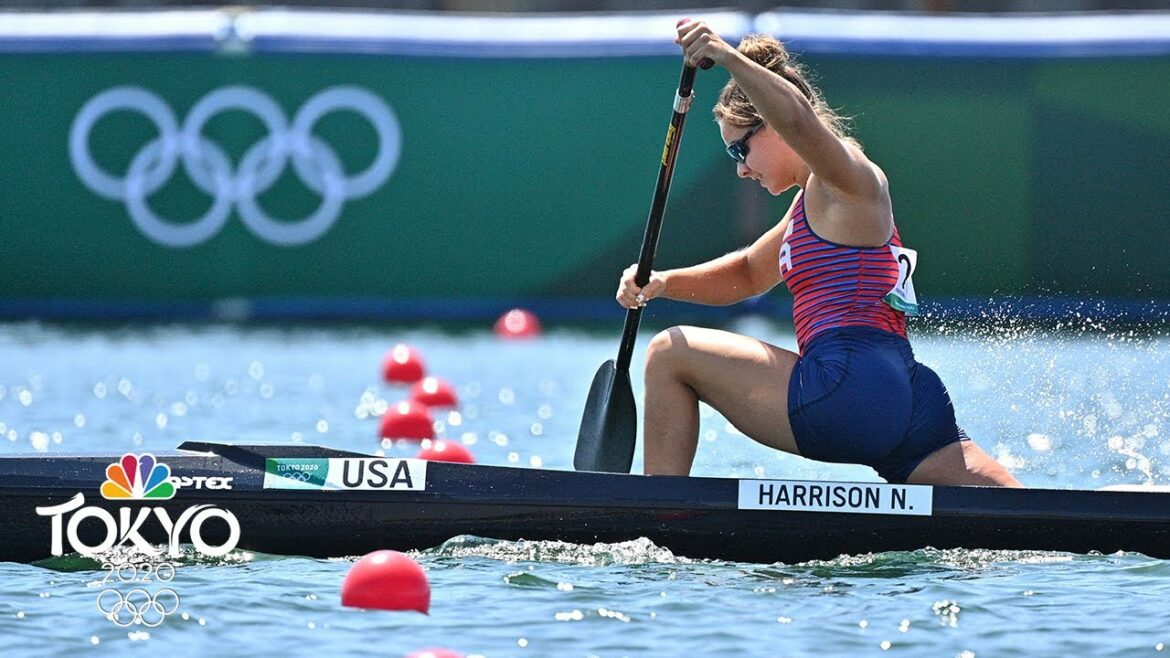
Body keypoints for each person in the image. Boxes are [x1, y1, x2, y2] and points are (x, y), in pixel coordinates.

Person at [615, 20, 1021, 487]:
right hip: (910, 400)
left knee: (669, 353)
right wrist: (664, 282)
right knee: (1027, 519)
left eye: (739, 151)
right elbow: (748, 275)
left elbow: (797, 120)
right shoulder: (810, 203)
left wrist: (726, 58)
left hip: (845, 387)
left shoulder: (847, 178)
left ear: (772, 127)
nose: (742, 170)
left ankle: (659, 515)